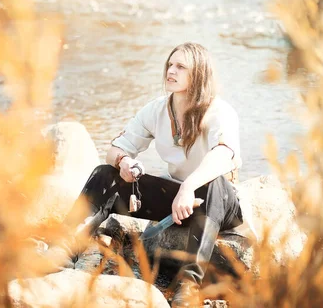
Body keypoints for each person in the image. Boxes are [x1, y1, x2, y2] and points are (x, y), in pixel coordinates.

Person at [45, 42, 245, 307]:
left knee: (213, 184)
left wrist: (189, 186)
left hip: (218, 204)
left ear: (198, 74)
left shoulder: (220, 111)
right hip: (176, 200)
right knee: (105, 174)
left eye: (181, 67)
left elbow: (225, 155)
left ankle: (189, 285)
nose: (170, 71)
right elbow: (115, 148)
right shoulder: (157, 109)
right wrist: (124, 161)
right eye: (170, 65)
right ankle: (64, 248)